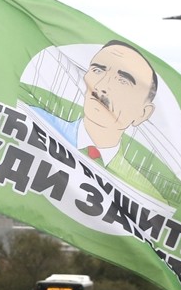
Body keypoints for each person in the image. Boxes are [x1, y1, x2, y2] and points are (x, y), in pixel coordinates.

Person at [28, 40, 166, 201]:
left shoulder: (147, 195)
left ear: (143, 113)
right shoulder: (30, 121)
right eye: (97, 71)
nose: (101, 86)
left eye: (123, 81)